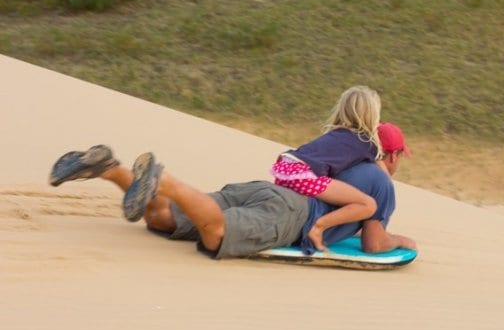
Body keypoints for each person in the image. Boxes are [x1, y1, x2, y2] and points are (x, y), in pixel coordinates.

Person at [48, 123, 416, 258]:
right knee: (216, 233)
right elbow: (373, 243)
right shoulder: (381, 182)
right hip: (291, 215)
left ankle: (109, 168)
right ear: (394, 154)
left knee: (160, 217)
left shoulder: (346, 150)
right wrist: (401, 240)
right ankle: (164, 180)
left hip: (267, 189)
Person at [270, 85, 383, 252]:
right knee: (368, 205)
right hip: (303, 175)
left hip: (285, 167)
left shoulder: (334, 134)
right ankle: (318, 227)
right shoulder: (367, 143)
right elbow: (378, 176)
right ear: (372, 115)